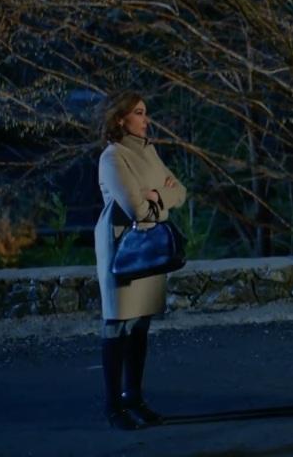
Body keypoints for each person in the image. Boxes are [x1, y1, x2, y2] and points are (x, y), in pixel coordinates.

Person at [94, 92, 186, 430]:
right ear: (121, 119)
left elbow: (180, 192)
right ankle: (113, 406)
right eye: (139, 112)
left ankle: (134, 398)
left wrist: (156, 194)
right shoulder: (113, 157)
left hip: (150, 247)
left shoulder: (148, 151)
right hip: (123, 248)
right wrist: (158, 198)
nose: (146, 119)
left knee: (140, 325)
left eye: (145, 112)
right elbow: (134, 208)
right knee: (117, 324)